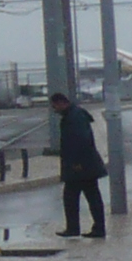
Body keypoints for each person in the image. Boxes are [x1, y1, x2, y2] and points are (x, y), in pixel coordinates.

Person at [51, 89, 106, 238]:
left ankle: (78, 228)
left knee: (73, 197)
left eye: (55, 107)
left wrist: (76, 163)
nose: (55, 110)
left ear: (61, 103)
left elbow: (80, 140)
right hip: (85, 165)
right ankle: (94, 228)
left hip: (80, 167)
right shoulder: (75, 114)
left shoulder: (74, 117)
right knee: (89, 196)